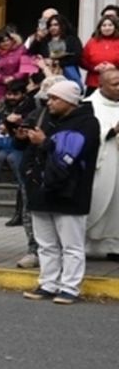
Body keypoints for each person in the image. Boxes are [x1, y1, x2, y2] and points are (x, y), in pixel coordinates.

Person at [16, 79, 99, 304]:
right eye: (49, 98)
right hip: (41, 190)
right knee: (46, 244)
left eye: (55, 98)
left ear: (70, 101)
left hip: (70, 192)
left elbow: (71, 155)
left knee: (71, 245)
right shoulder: (46, 118)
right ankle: (48, 283)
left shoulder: (87, 123)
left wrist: (44, 142)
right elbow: (35, 151)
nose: (49, 102)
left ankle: (70, 287)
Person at [83, 68, 119, 257]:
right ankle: (87, 246)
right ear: (100, 85)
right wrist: (111, 131)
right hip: (99, 165)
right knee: (96, 203)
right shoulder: (88, 106)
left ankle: (114, 247)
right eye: (115, 84)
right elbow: (84, 134)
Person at [80, 16, 119, 92]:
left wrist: (115, 67)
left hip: (116, 83)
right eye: (104, 25)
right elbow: (82, 60)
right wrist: (94, 68)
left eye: (110, 25)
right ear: (100, 28)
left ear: (115, 27)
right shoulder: (92, 42)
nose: (107, 28)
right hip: (94, 83)